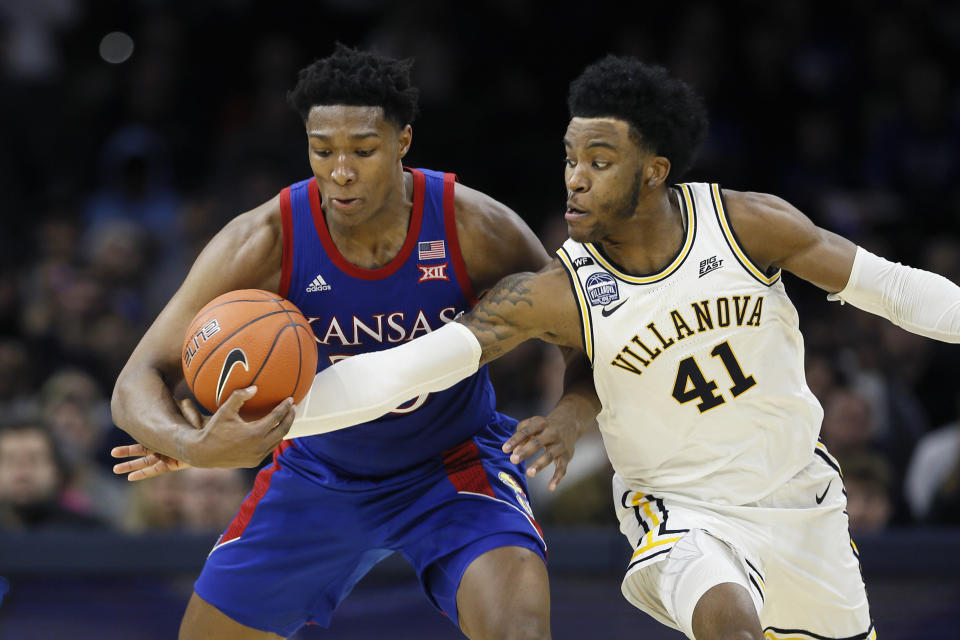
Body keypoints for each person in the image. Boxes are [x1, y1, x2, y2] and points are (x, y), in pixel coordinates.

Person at [266, 55, 960, 640]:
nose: (574, 177)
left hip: (802, 501)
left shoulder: (746, 225)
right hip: (679, 513)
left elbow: (896, 291)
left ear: (654, 171)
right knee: (731, 624)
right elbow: (398, 372)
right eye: (570, 159)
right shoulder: (557, 292)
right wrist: (249, 426)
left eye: (599, 162)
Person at [111, 44, 599, 640]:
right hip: (319, 471)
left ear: (403, 142)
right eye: (323, 150)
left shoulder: (474, 227)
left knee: (519, 630)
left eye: (363, 150)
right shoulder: (265, 239)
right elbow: (136, 380)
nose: (341, 170)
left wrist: (575, 410)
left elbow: (582, 331)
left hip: (453, 463)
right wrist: (196, 443)